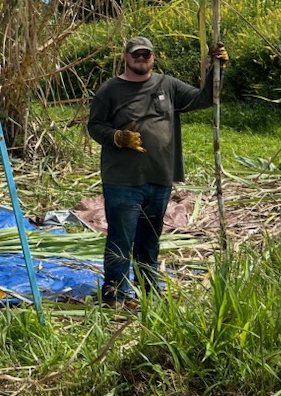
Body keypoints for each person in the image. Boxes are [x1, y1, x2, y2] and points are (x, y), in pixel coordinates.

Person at [87, 36, 228, 307]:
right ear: (126, 57)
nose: (141, 59)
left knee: (149, 240)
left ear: (153, 57)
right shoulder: (111, 90)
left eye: (146, 55)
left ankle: (148, 290)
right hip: (123, 181)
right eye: (136, 55)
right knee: (121, 239)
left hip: (159, 178)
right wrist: (117, 137)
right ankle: (113, 294)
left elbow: (204, 98)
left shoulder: (168, 85)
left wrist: (217, 68)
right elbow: (94, 126)